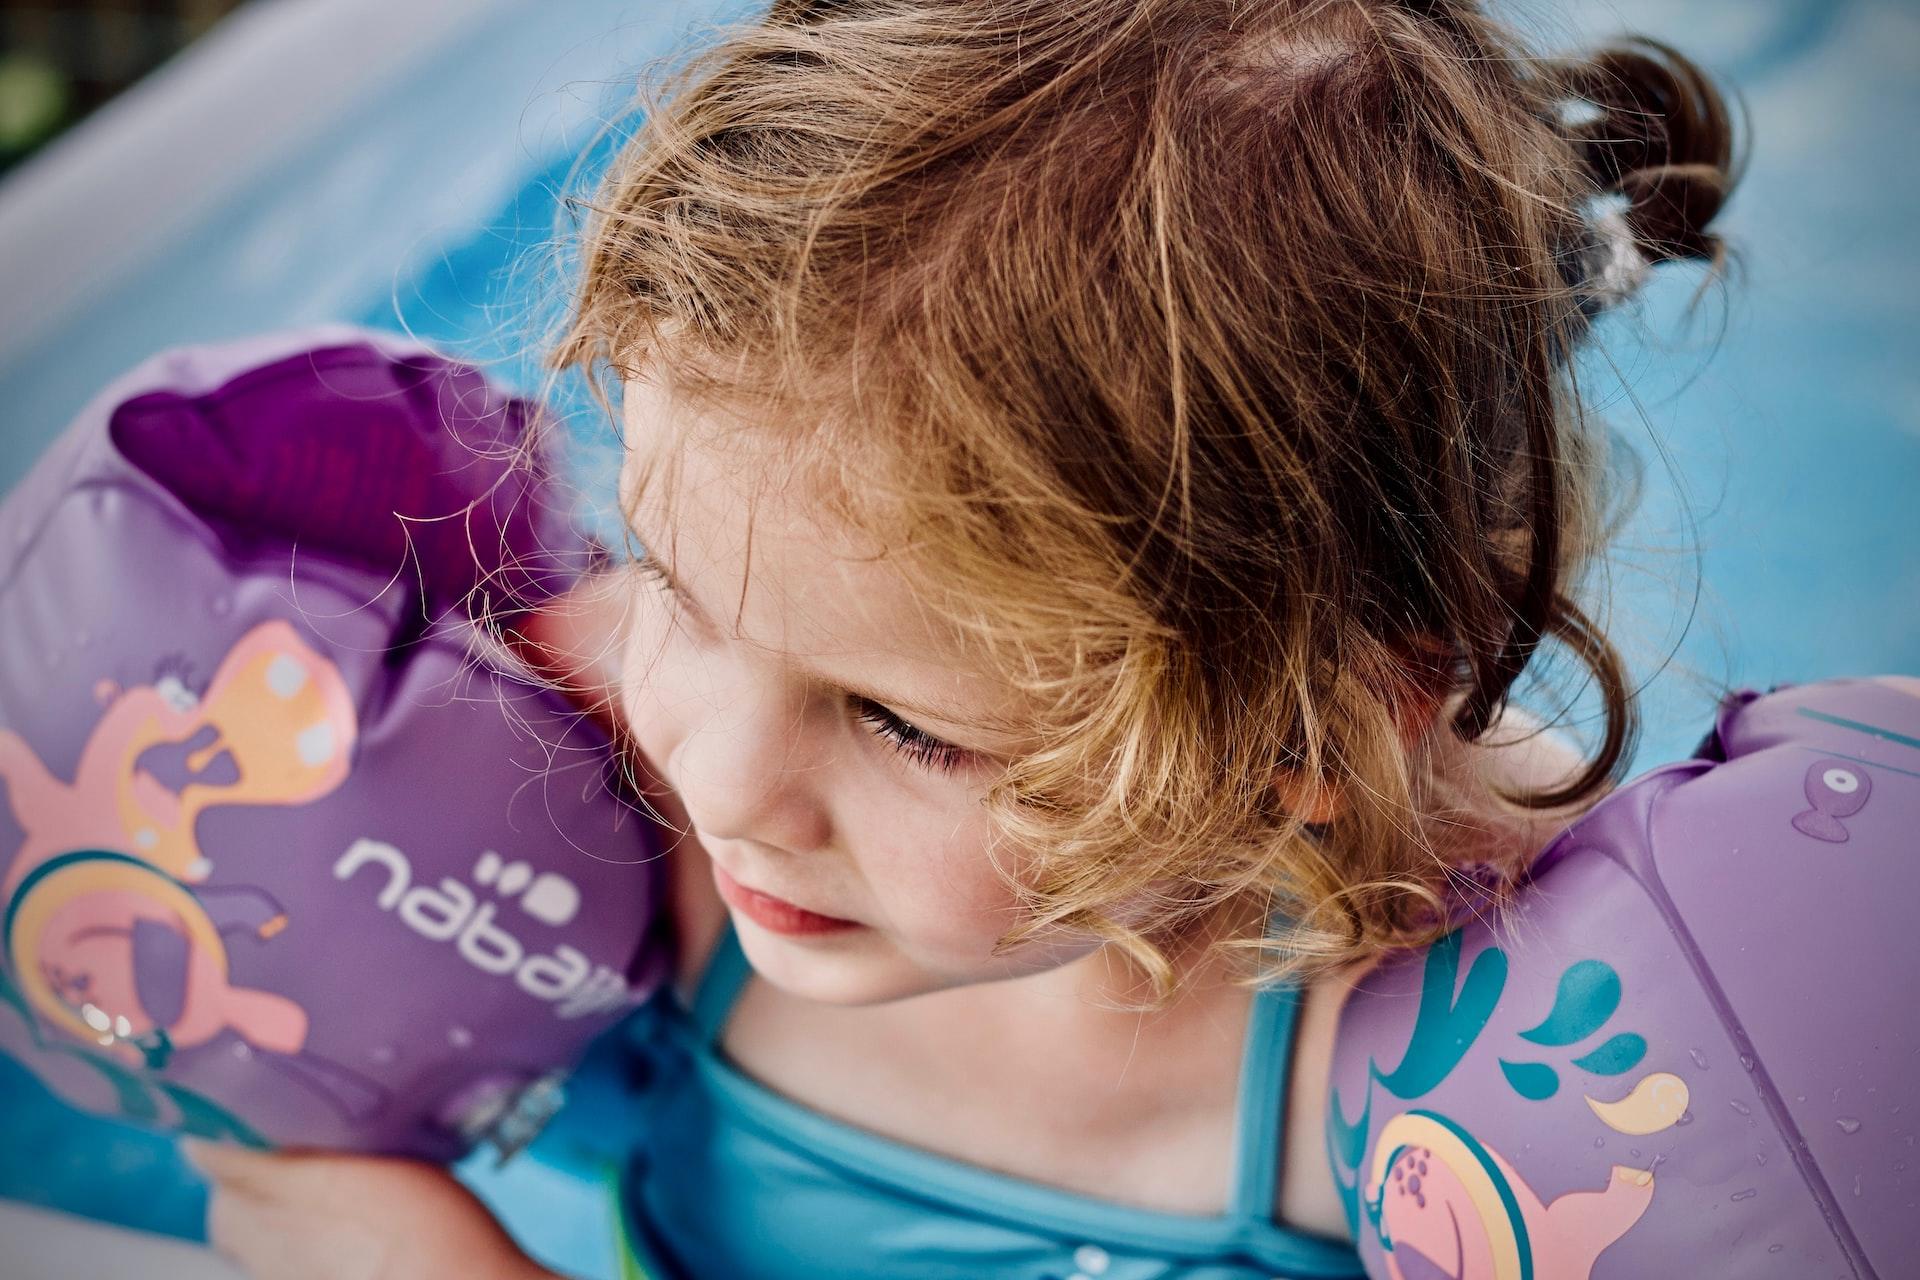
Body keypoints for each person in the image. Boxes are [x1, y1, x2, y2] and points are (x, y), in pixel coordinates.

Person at [185, 1, 1743, 1276]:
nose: (716, 783)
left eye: (906, 725)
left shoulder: (1489, 1052)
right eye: (668, 577)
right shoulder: (580, 740)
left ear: (1314, 735)